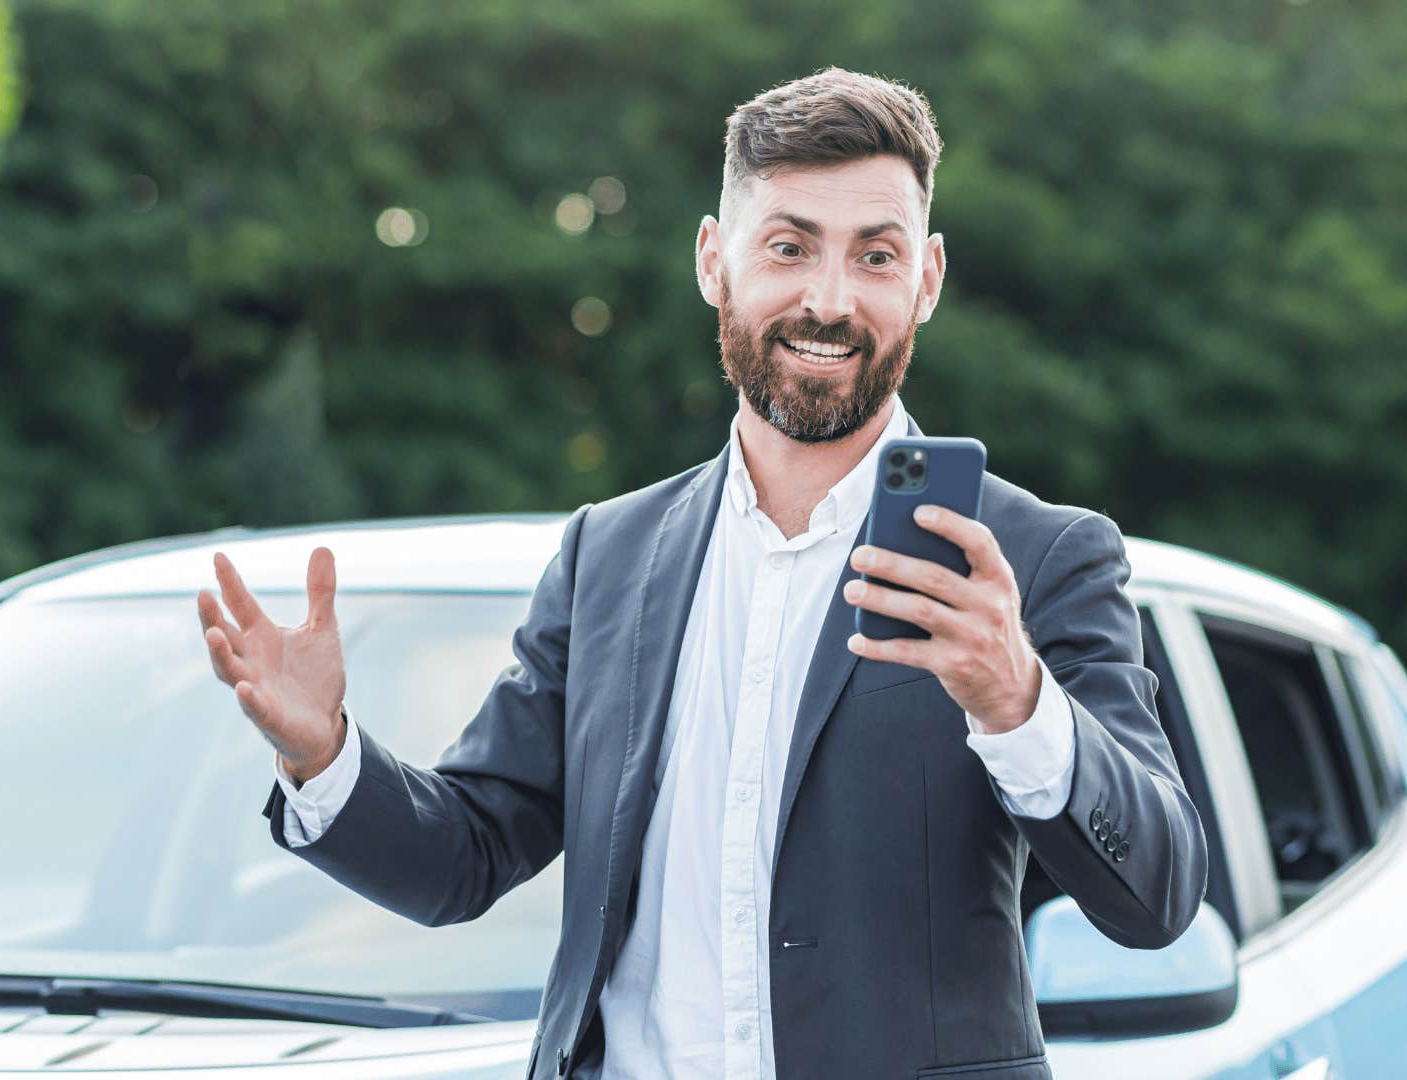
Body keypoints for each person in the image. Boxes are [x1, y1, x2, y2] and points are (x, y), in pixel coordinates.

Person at [197, 66, 1207, 1080]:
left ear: (928, 280)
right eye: (788, 247)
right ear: (713, 261)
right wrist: (323, 754)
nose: (829, 298)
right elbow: (464, 856)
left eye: (876, 255)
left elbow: (1157, 896)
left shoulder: (1036, 559)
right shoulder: (609, 555)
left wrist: (1020, 702)